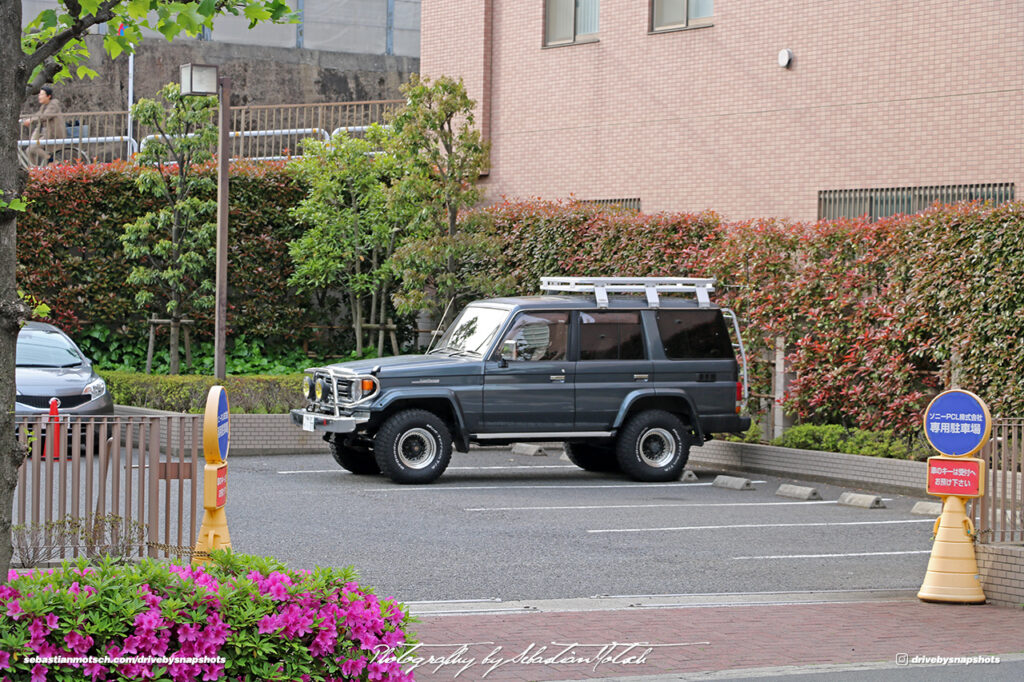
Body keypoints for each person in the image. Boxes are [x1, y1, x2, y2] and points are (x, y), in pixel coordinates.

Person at [20, 85, 65, 167]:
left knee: (33, 148)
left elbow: (44, 116)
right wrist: (26, 120)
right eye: (39, 94)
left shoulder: (53, 105)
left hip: (52, 134)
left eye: (41, 94)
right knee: (29, 150)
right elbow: (38, 115)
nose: (39, 96)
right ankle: (34, 169)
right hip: (45, 133)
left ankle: (51, 160)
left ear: (49, 96)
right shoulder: (44, 106)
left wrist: (31, 120)